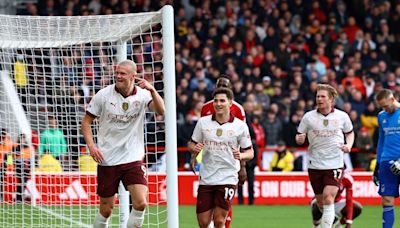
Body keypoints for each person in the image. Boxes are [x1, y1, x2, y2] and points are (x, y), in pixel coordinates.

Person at [81, 60, 165, 228]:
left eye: (122, 73)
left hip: (132, 156)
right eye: (117, 72)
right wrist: (92, 147)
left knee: (141, 203)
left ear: (133, 76)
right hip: (108, 158)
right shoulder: (104, 95)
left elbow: (161, 111)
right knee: (106, 210)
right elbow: (86, 122)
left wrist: (153, 90)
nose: (118, 76)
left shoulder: (142, 95)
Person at [189, 87, 254, 228]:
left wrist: (241, 155)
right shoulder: (203, 122)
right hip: (207, 176)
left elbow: (250, 152)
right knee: (203, 222)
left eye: (222, 101)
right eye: (216, 101)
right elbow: (192, 143)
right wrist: (194, 150)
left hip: (228, 176)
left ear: (230, 103)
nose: (218, 104)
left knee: (219, 220)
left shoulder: (240, 126)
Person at [296, 84, 354, 228]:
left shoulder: (342, 116)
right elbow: (299, 135)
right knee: (321, 202)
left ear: (331, 99)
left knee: (329, 197)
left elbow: (350, 133)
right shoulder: (308, 117)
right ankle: (331, 220)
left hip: (335, 163)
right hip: (315, 163)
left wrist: (349, 145)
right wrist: (299, 139)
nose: (319, 99)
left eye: (323, 96)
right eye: (318, 96)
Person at [200, 75, 247, 227]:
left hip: (229, 163)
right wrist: (195, 156)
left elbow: (242, 139)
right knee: (207, 210)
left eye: (226, 86)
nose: (223, 88)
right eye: (220, 85)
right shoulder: (206, 108)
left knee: (224, 203)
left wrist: (242, 167)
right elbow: (200, 136)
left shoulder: (238, 109)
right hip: (209, 163)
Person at [373, 89, 400, 228]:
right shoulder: (381, 116)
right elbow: (381, 140)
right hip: (386, 161)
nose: (385, 109)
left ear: (392, 99)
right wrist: (378, 164)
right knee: (386, 200)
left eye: (386, 105)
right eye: (382, 107)